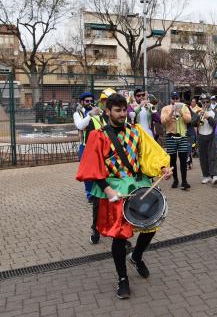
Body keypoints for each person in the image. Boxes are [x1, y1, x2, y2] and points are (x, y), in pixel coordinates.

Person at [76, 94, 171, 299]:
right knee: (120, 236)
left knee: (151, 226)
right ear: (108, 111)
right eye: (117, 110)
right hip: (116, 188)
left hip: (139, 184)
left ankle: (136, 256)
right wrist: (107, 190)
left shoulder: (136, 131)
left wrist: (162, 167)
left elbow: (150, 153)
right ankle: (122, 279)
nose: (121, 114)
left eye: (123, 110)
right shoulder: (98, 136)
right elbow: (92, 165)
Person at [73, 91, 107, 244]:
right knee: (87, 172)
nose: (89, 102)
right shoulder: (78, 112)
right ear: (81, 101)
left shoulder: (97, 112)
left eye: (90, 100)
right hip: (85, 146)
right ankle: (90, 194)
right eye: (86, 101)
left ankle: (97, 192)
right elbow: (80, 125)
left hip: (99, 147)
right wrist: (90, 114)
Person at [160, 92, 192, 190]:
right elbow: (163, 121)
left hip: (182, 136)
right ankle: (175, 180)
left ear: (179, 99)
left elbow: (189, 120)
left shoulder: (185, 107)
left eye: (177, 98)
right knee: (172, 160)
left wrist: (181, 112)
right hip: (170, 136)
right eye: (173, 98)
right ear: (171, 99)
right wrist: (171, 112)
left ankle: (184, 181)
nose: (175, 100)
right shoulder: (165, 108)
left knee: (183, 160)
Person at [196, 94, 217, 185]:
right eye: (203, 102)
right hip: (201, 136)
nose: (205, 103)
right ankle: (206, 176)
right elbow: (193, 123)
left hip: (211, 136)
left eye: (207, 101)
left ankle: (214, 175)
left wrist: (208, 117)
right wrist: (199, 116)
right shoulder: (198, 111)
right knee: (203, 158)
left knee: (213, 156)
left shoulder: (214, 112)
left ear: (210, 102)